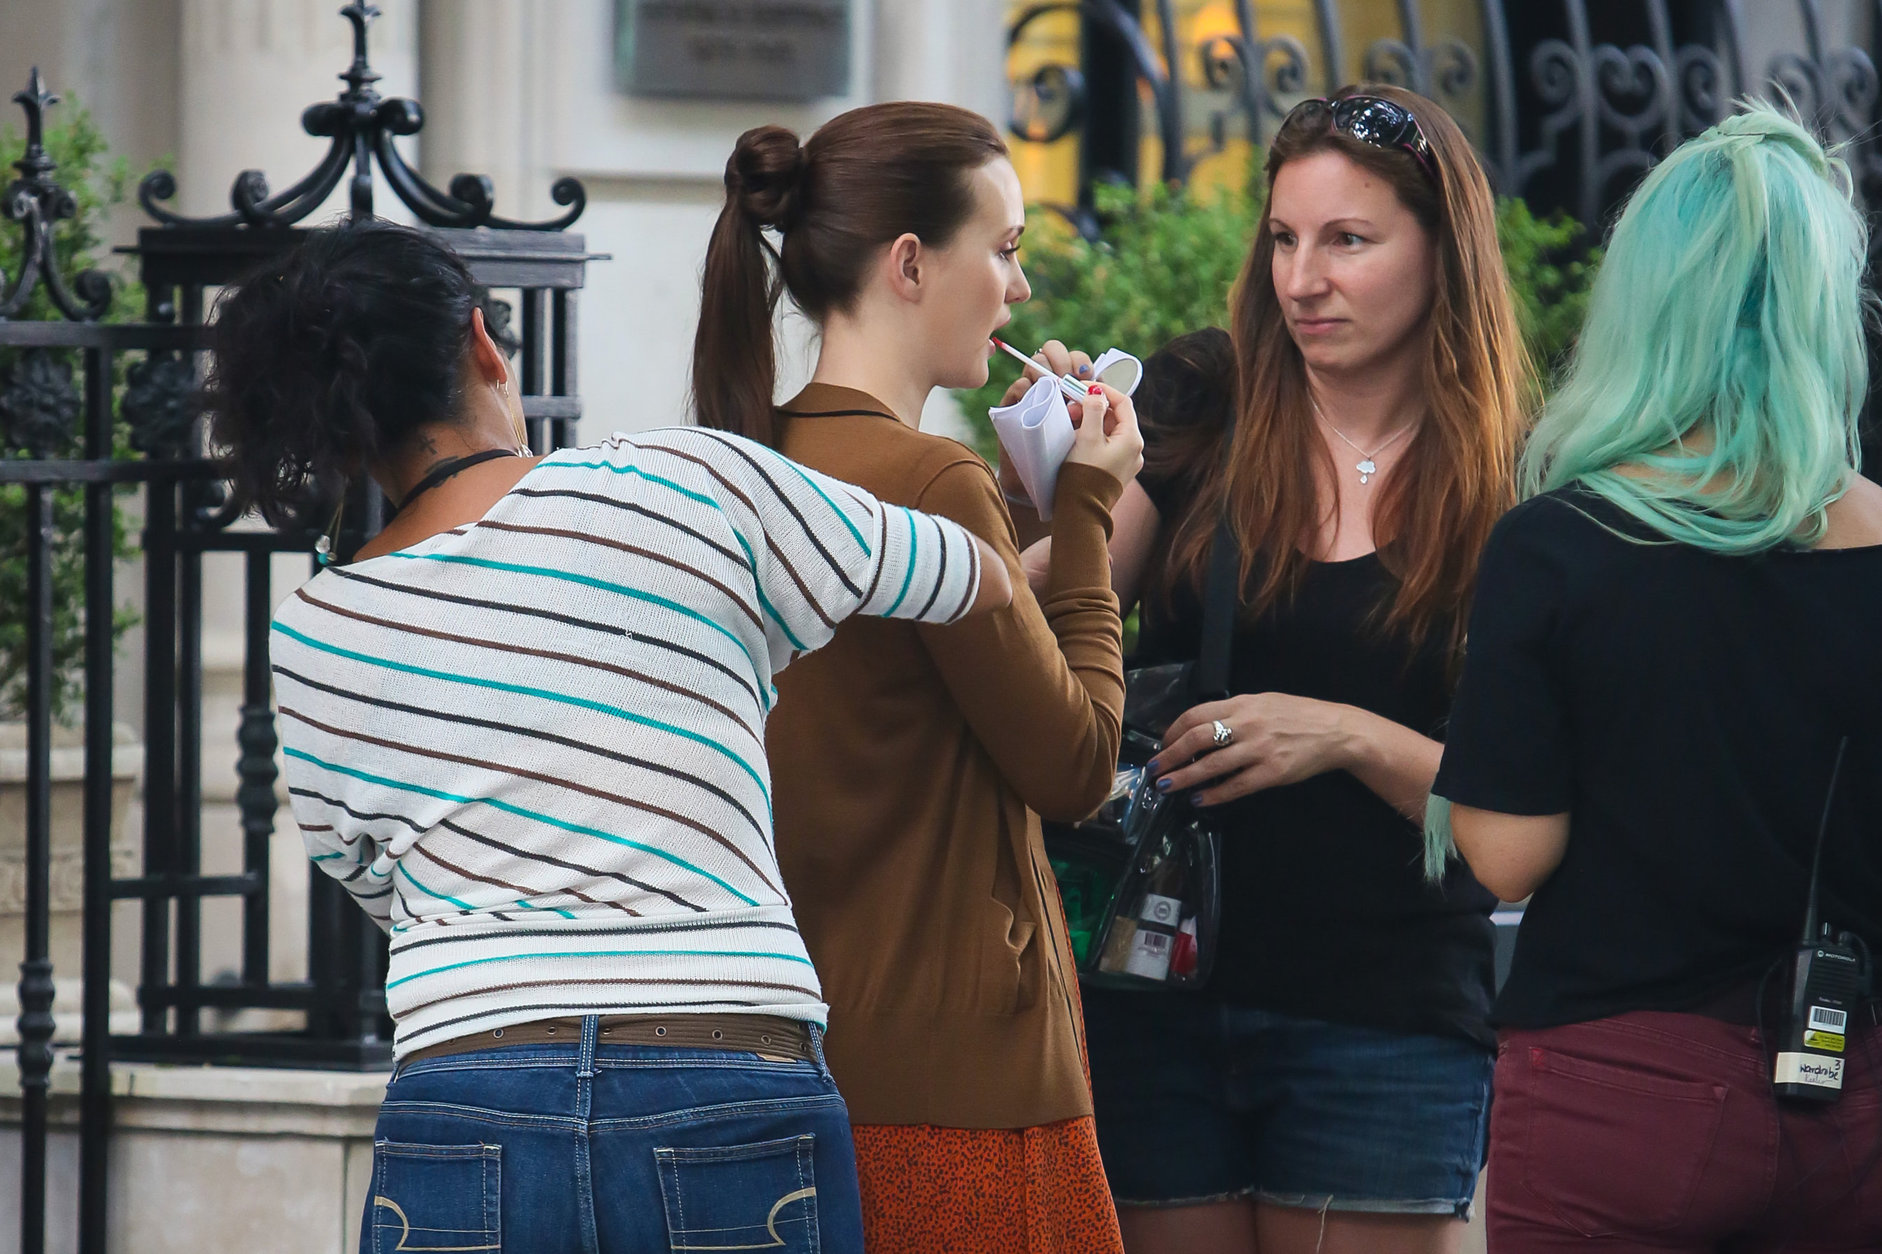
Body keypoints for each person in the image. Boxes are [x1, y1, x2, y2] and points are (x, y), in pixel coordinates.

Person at [208, 220, 1012, 1254]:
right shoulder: (691, 486)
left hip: (467, 1077)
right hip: (721, 1058)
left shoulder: (319, 629)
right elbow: (969, 578)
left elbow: (369, 877)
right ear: (482, 345)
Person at [1072, 85, 1530, 1254]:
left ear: (1443, 251)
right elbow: (1049, 598)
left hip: (1384, 1020)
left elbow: (1518, 822)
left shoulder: (1515, 486)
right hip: (1155, 994)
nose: (1301, 279)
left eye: (1347, 240)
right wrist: (1063, 472)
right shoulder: (1206, 402)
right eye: (1283, 237)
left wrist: (1347, 734)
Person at [690, 101, 1142, 1253]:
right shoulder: (929, 482)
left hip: (780, 1066)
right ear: (908, 264)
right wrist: (1087, 512)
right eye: (1005, 249)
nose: (1019, 291)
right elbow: (1078, 766)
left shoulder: (742, 457)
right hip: (955, 1087)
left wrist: (1025, 508)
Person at [1430, 103, 1882, 1252]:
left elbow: (1505, 854)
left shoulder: (1558, 545)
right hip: (1854, 1094)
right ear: (1822, 315)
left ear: (1641, 301)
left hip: (1617, 1090)